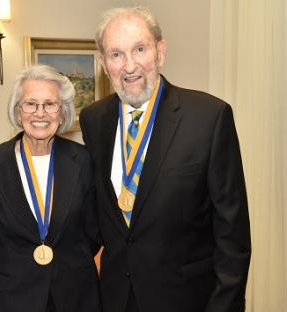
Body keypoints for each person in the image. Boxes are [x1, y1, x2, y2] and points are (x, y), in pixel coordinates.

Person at [80, 7, 251, 312]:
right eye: (116, 54)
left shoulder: (209, 117)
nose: (129, 66)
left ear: (161, 51)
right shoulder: (93, 120)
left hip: (187, 300)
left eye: (140, 49)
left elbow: (232, 235)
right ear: (105, 65)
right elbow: (96, 218)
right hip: (116, 298)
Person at [0, 65, 101, 312]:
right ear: (17, 110)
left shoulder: (85, 160)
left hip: (77, 295)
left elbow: (93, 232)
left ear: (63, 111)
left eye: (50, 104)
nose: (40, 113)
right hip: (16, 297)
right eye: (31, 104)